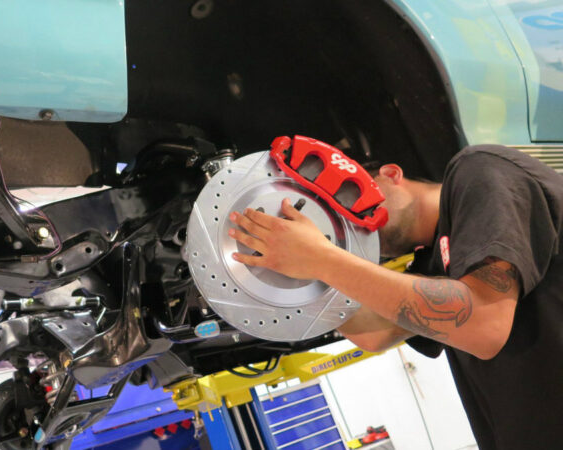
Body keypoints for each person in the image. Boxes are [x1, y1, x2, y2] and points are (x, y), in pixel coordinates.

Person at [227, 144, 563, 450]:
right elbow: (373, 332)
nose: (348, 222)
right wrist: (296, 268)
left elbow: (483, 322)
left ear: (390, 174)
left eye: (343, 200)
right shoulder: (432, 264)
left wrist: (320, 258)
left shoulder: (477, 170)